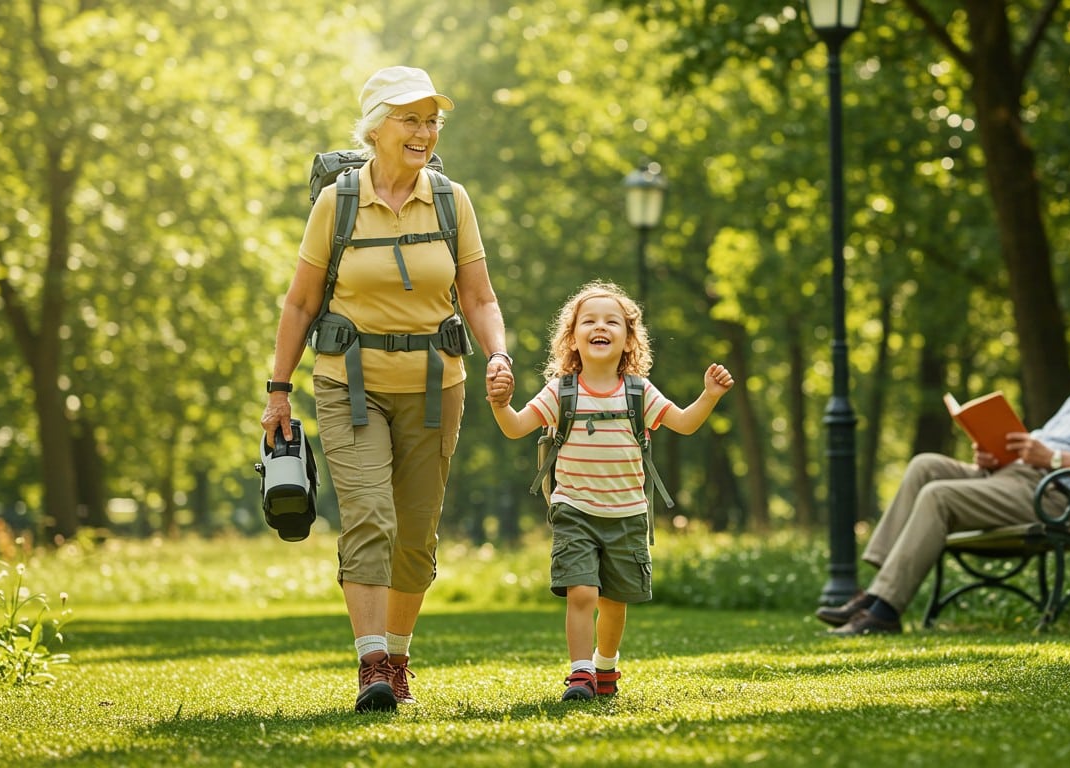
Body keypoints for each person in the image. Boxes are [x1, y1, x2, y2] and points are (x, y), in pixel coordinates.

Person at [260, 65, 511, 712]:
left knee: (416, 533)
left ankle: (398, 656)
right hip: (351, 383)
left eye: (432, 120)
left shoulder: (452, 200)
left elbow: (479, 297)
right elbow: (300, 304)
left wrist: (498, 356)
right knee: (369, 515)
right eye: (410, 119)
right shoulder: (336, 204)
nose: (424, 132)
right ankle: (372, 661)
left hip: (436, 385)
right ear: (376, 128)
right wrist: (278, 391)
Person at [818, 302, 1070, 635]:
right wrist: (998, 456)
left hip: (1052, 497)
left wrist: (1053, 459)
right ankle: (875, 593)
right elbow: (1038, 453)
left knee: (939, 496)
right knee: (925, 466)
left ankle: (883, 613)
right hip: (1017, 478)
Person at [485, 280, 735, 701]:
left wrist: (709, 396)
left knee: (616, 602)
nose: (600, 327)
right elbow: (515, 428)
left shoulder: (638, 392)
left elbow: (685, 423)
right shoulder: (562, 391)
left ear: (628, 339)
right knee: (582, 592)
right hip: (574, 509)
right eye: (590, 321)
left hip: (627, 512)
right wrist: (499, 403)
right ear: (573, 338)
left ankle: (605, 667)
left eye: (612, 321)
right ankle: (580, 674)